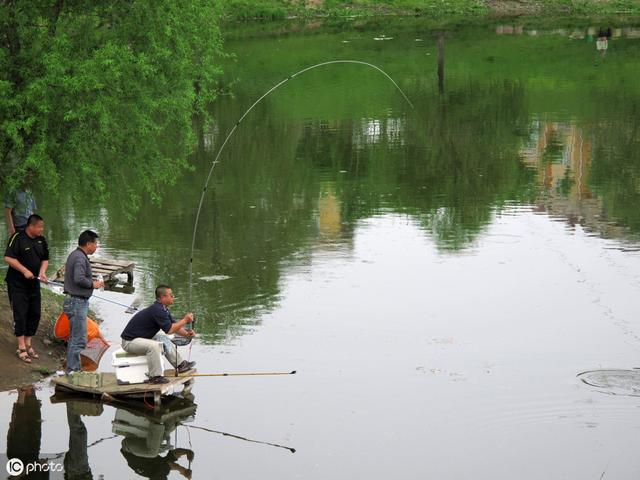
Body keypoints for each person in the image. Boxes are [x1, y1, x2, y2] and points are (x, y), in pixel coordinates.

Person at [120, 285, 196, 384]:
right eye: (171, 295)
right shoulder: (158, 310)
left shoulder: (163, 309)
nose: (173, 297)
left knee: (163, 339)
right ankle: (155, 377)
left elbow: (174, 326)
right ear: (163, 297)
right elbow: (169, 330)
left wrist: (187, 334)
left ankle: (181, 365)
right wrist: (185, 320)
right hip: (129, 341)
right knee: (154, 346)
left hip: (141, 338)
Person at [4, 214, 49, 363]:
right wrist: (24, 270)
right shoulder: (17, 237)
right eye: (39, 227)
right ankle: (21, 347)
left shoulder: (41, 240)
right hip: (17, 284)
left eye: (42, 227)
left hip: (34, 284)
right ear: (31, 226)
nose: (41, 230)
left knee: (34, 313)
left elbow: (45, 259)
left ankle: (29, 344)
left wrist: (42, 272)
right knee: (20, 314)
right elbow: (8, 258)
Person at [63, 230, 104, 373]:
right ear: (88, 244)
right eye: (95, 243)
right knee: (79, 339)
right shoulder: (80, 258)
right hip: (76, 302)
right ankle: (73, 371)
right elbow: (79, 279)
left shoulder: (75, 255)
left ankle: (72, 369)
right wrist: (94, 284)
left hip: (74, 301)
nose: (96, 246)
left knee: (75, 337)